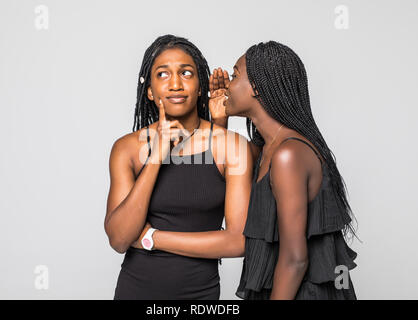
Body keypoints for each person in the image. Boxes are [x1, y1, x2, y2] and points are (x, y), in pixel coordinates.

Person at [104, 34, 253, 300]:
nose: (175, 84)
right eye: (162, 74)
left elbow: (238, 241)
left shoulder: (232, 146)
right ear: (149, 90)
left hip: (201, 296)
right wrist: (156, 156)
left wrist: (151, 237)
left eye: (186, 73)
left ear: (199, 87)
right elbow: (119, 239)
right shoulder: (126, 149)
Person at [209, 40, 359, 299]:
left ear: (255, 86)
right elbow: (222, 177)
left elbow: (295, 259)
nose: (228, 86)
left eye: (235, 76)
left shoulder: (288, 155)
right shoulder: (267, 149)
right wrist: (219, 122)